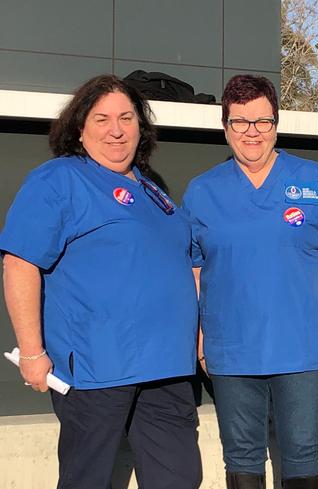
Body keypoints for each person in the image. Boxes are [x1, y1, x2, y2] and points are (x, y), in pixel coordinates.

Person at [0, 74, 202, 489]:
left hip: (166, 367)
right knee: (89, 480)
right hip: (97, 370)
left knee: (179, 478)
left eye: (127, 118)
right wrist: (34, 354)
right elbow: (20, 264)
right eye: (102, 118)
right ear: (79, 127)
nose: (117, 129)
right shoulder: (59, 179)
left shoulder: (151, 187)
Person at [182, 74, 318, 489]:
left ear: (276, 124)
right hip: (231, 352)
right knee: (241, 456)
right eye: (240, 121)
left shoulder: (313, 180)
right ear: (225, 125)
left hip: (302, 350)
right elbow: (194, 271)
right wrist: (198, 342)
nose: (252, 132)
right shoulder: (202, 191)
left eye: (262, 121)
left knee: (301, 451)